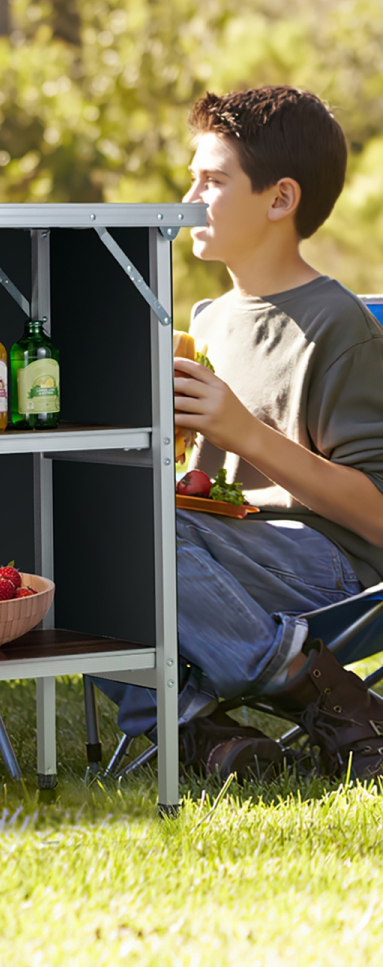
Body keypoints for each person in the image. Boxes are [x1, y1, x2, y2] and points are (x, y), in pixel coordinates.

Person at [100, 86, 383, 780]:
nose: (191, 196)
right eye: (193, 177)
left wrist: (243, 431)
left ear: (280, 199)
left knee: (141, 534)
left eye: (213, 181)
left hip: (334, 567)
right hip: (224, 548)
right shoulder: (208, 319)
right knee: (84, 525)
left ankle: (305, 690)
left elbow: (376, 516)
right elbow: (200, 480)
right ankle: (210, 734)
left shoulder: (337, 325)